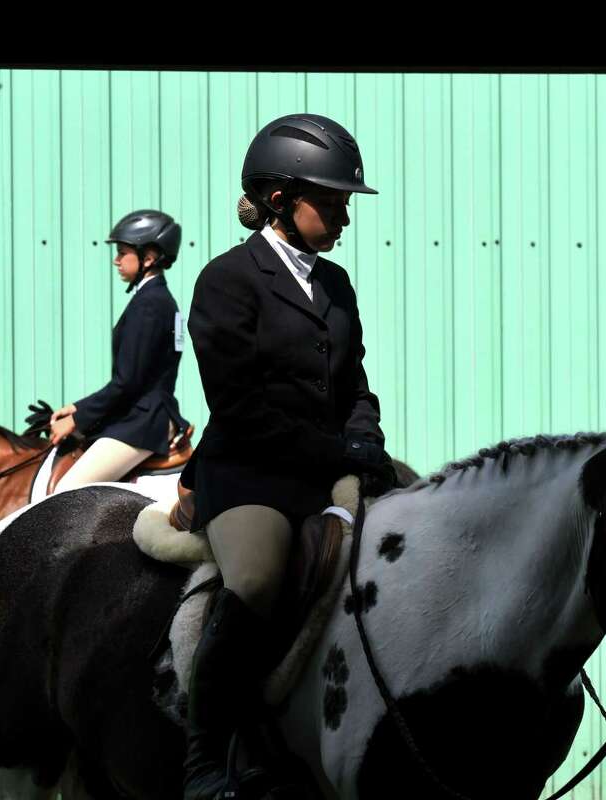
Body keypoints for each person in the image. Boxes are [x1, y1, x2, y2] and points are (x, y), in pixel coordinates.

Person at [179, 113, 397, 799]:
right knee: (262, 576)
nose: (344, 220)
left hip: (327, 461)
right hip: (249, 470)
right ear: (280, 200)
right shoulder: (226, 280)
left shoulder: (334, 284)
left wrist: (368, 435)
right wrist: (339, 450)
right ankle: (204, 758)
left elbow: (355, 379)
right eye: (332, 203)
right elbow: (240, 405)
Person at [50, 210, 191, 491]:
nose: (116, 259)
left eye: (123, 252)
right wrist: (77, 407)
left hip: (144, 420)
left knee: (66, 492)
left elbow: (128, 382)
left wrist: (77, 419)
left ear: (149, 257)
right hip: (141, 414)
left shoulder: (151, 304)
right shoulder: (154, 299)